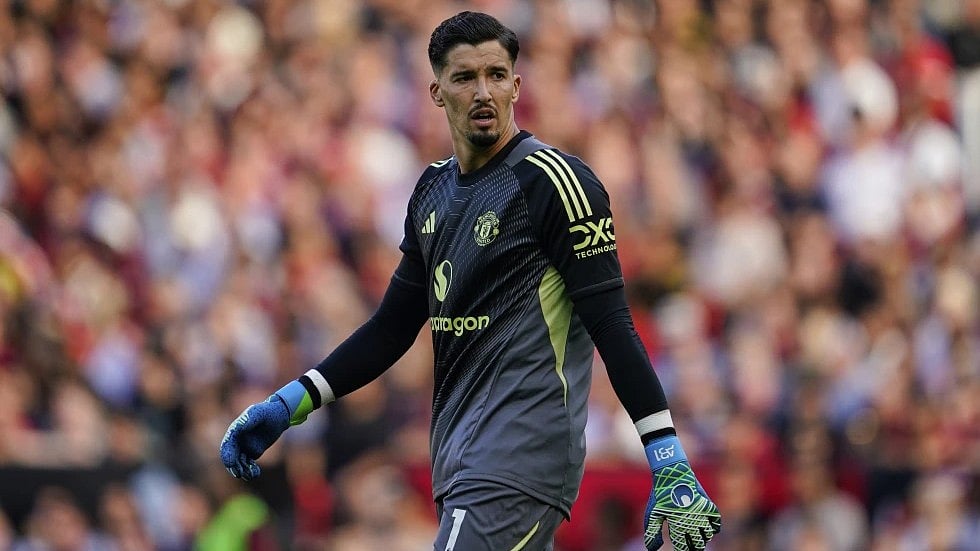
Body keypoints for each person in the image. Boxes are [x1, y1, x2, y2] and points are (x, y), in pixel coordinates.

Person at [220, 11, 720, 551]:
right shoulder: (433, 191)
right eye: (465, 78)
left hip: (519, 460)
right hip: (460, 465)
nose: (484, 92)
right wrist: (291, 402)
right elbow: (392, 328)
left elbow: (612, 324)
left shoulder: (557, 183)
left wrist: (665, 453)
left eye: (496, 75)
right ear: (437, 92)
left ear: (516, 85)